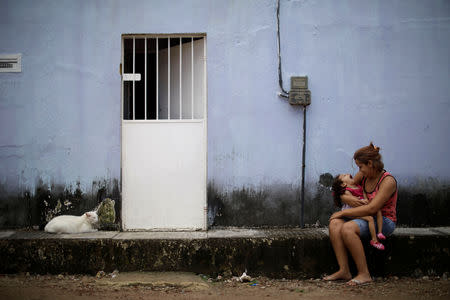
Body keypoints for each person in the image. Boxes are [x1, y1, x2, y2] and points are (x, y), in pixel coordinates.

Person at [324, 143, 397, 286]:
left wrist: (340, 214)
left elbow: (372, 209)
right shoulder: (364, 174)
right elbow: (339, 188)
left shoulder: (388, 181)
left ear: (370, 163)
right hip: (363, 216)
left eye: (360, 167)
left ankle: (364, 273)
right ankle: (344, 270)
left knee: (347, 228)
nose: (358, 171)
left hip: (384, 221)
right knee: (334, 224)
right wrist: (346, 198)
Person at [331, 173, 386, 250]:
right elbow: (353, 202)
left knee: (377, 211)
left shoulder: (359, 186)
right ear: (343, 184)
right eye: (344, 176)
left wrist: (366, 200)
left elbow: (364, 195)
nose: (347, 174)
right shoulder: (347, 191)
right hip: (351, 211)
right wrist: (363, 202)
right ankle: (374, 240)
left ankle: (379, 233)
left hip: (360, 208)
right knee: (370, 218)